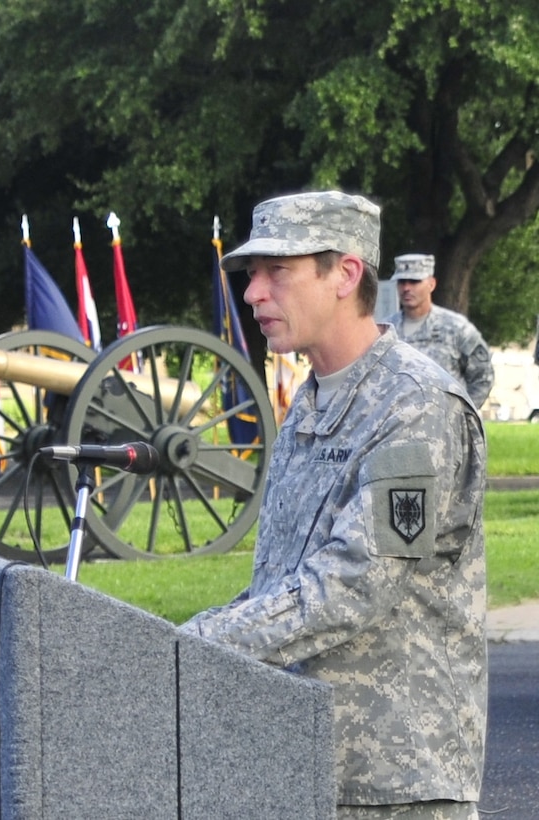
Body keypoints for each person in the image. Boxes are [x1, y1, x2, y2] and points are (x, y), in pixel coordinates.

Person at [179, 191, 487, 819]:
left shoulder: (417, 406)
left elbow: (352, 585)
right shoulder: (311, 405)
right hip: (308, 768)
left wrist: (195, 643)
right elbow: (280, 581)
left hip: (397, 785)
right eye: (252, 275)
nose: (252, 294)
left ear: (346, 273)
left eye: (277, 272)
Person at [386, 254, 494, 408]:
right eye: (401, 282)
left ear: (431, 284)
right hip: (396, 425)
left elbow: (483, 377)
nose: (406, 288)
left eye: (414, 281)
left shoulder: (456, 328)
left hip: (444, 426)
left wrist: (462, 415)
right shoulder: (386, 330)